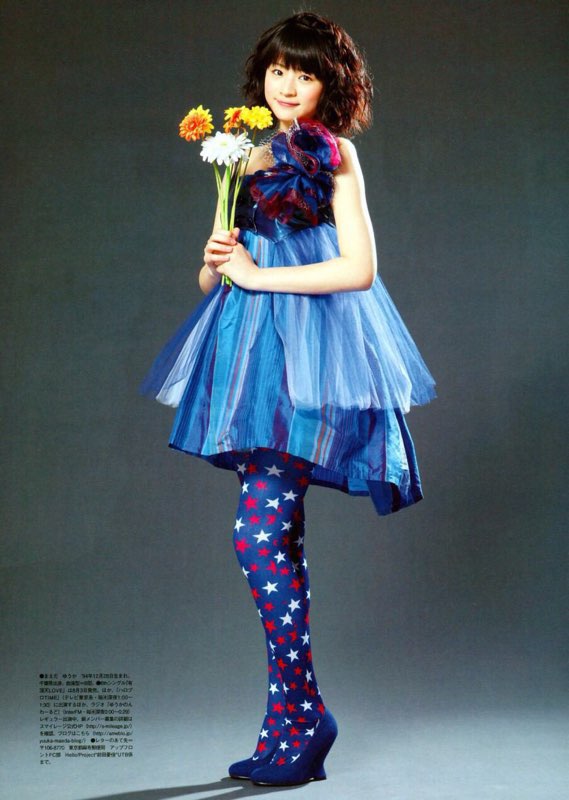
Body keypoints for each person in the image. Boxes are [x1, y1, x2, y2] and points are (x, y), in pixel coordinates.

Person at [141, 11, 436, 787]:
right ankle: (292, 719)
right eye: (278, 71)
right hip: (249, 359)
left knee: (258, 536)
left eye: (304, 74)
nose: (288, 86)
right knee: (276, 537)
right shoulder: (242, 152)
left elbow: (358, 270)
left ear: (329, 85)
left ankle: (301, 714)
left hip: (315, 355)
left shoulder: (335, 154)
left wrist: (258, 274)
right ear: (261, 76)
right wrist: (216, 260)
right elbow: (214, 276)